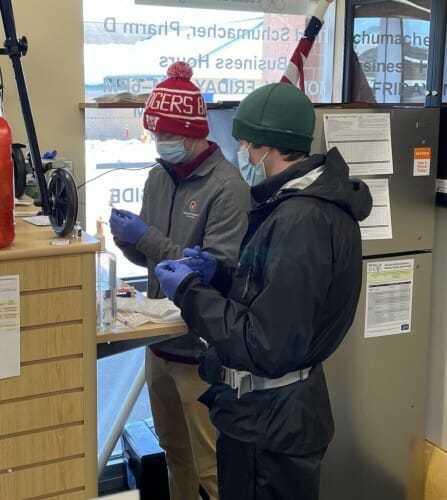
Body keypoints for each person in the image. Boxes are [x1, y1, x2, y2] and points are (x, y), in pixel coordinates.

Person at [154, 82, 373, 500]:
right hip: (273, 417)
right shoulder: (295, 205)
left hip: (271, 428)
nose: (242, 155)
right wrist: (218, 276)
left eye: (244, 145)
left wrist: (188, 291)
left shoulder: (301, 219)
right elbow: (274, 299)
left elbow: (265, 342)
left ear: (266, 148)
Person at [109, 61, 250, 500]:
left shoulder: (228, 188)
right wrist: (127, 239)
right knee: (174, 454)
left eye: (167, 136)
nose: (160, 143)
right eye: (156, 135)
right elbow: (150, 256)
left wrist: (146, 237)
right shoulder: (158, 176)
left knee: (210, 464)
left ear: (192, 133)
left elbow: (212, 271)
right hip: (159, 344)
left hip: (199, 351)